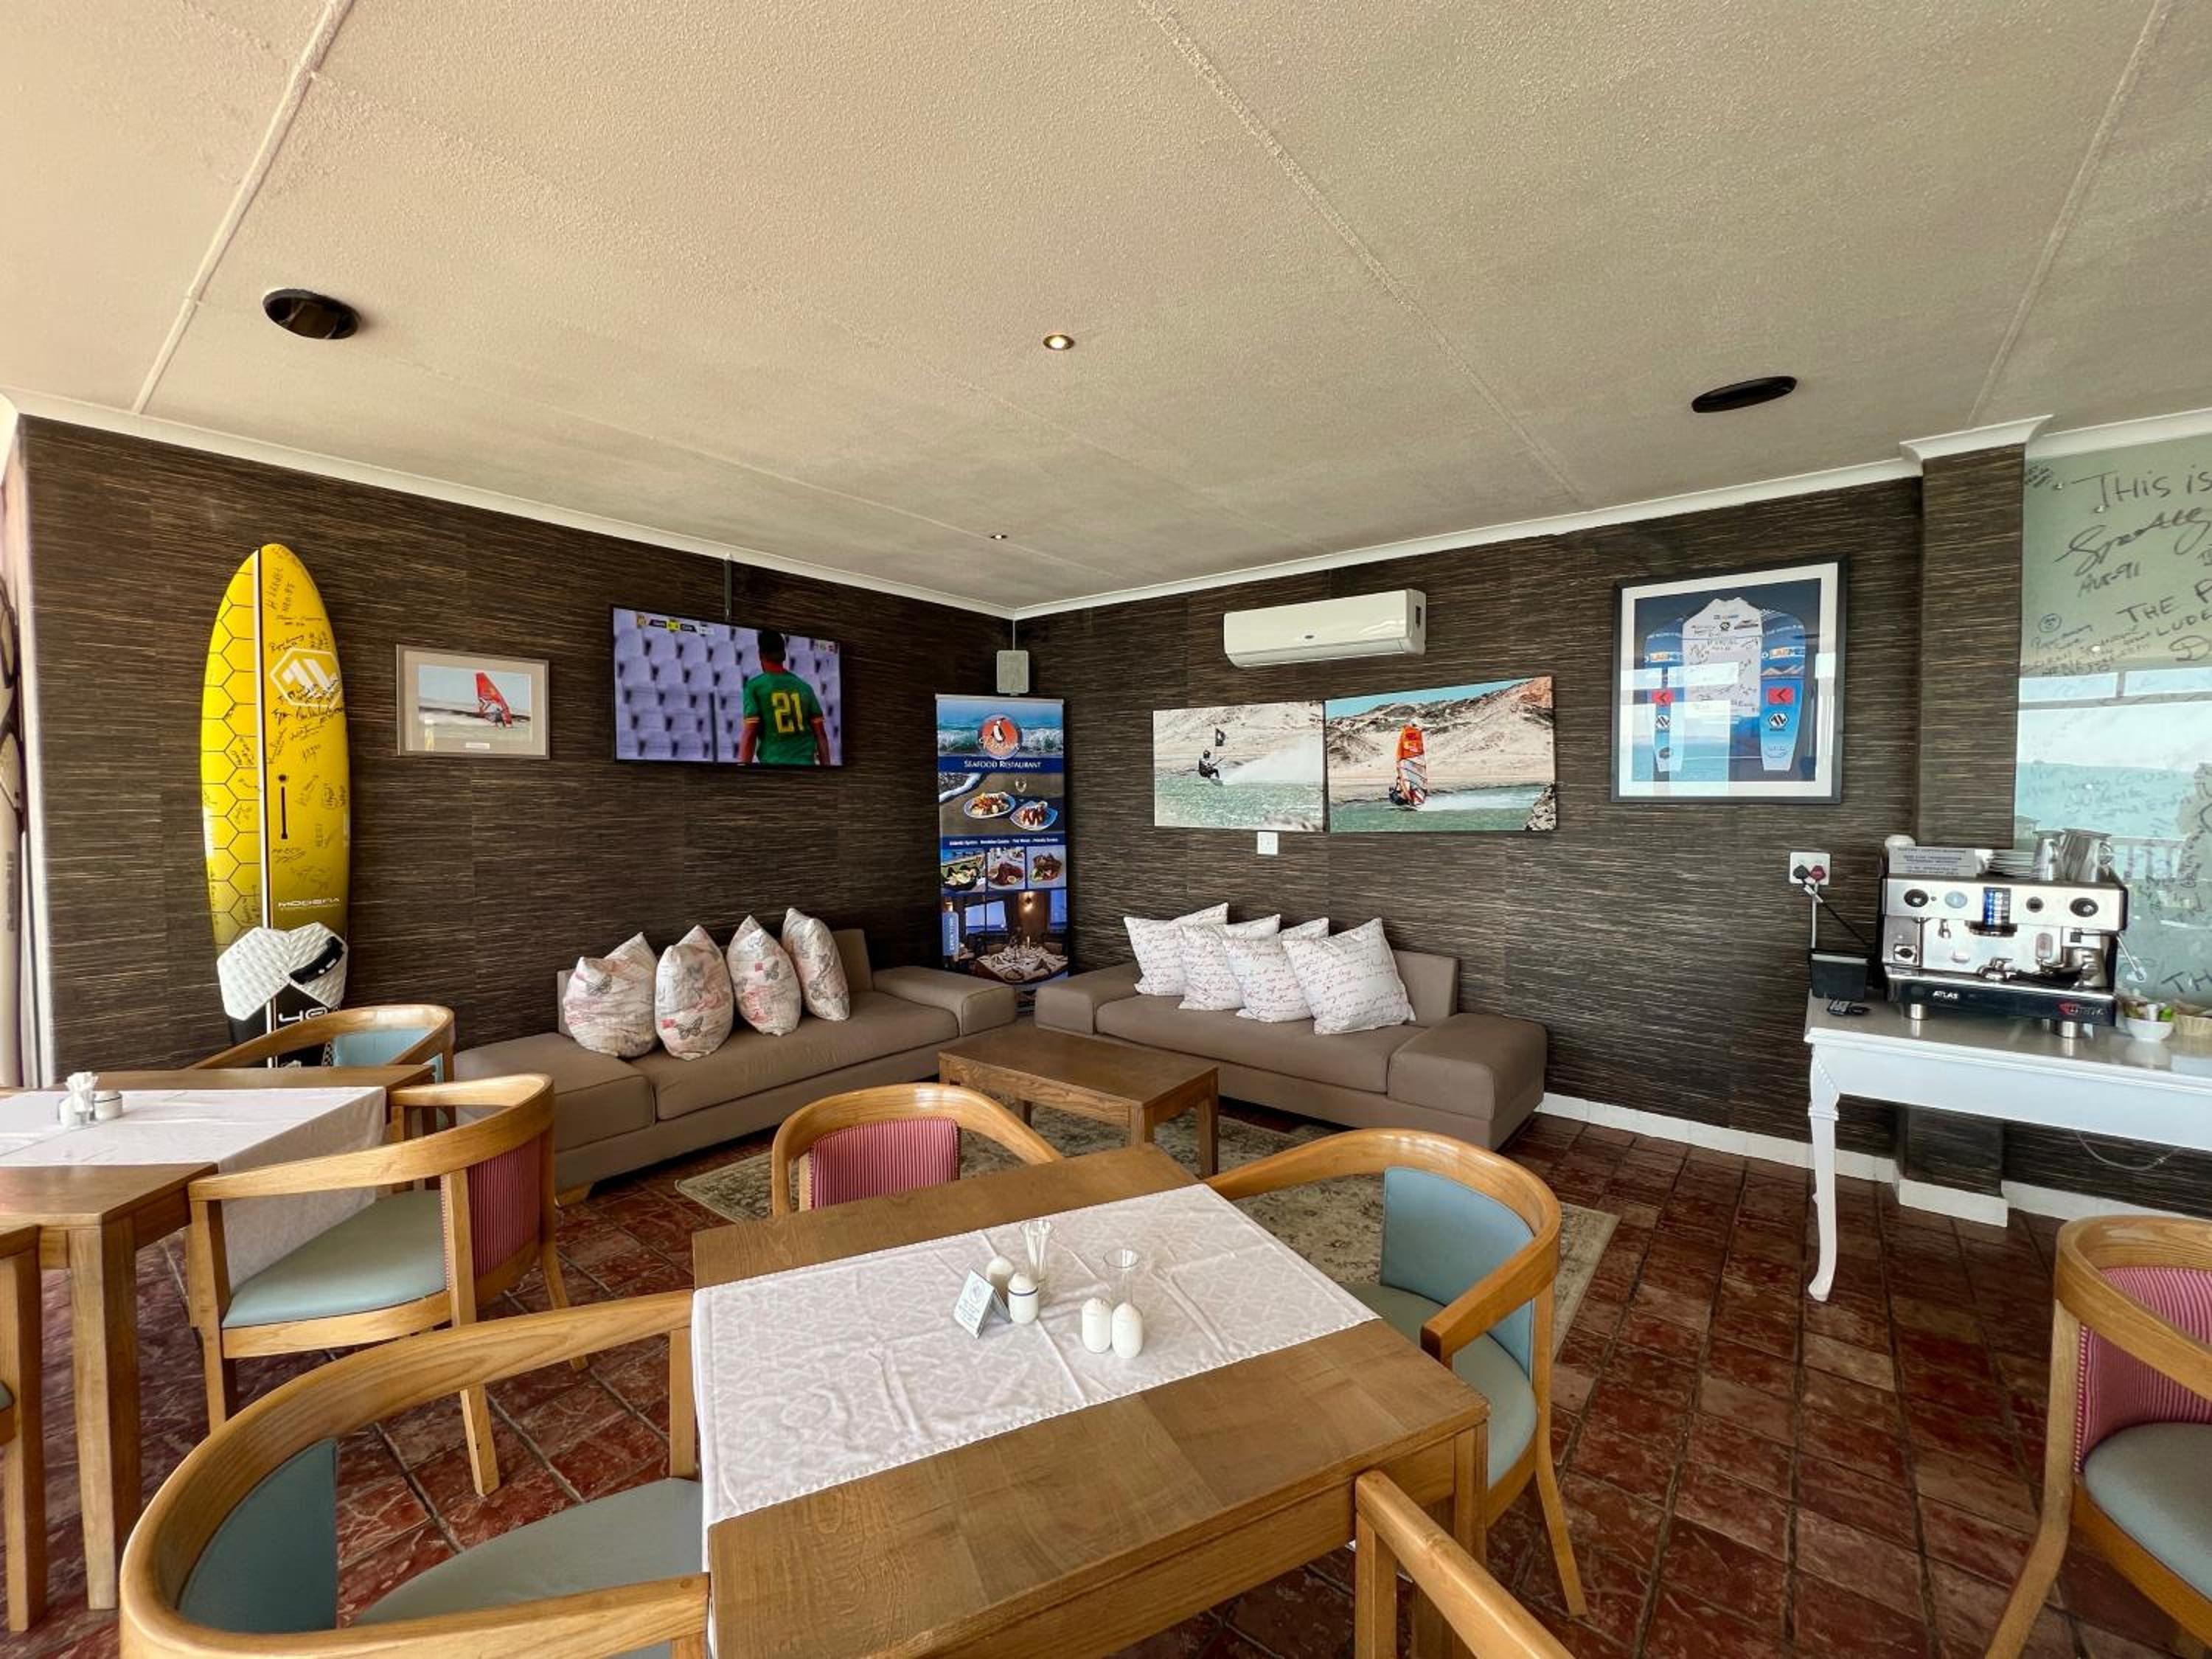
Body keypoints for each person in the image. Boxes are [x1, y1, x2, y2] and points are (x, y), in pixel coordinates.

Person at [738, 628, 830, 765]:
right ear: (784, 655)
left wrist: (742, 769)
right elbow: (821, 735)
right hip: (807, 768)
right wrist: (826, 771)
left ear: (760, 655)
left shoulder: (754, 687)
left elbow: (750, 734)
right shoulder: (805, 688)